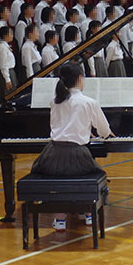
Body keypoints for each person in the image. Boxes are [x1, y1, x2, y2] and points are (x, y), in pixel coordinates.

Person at [31, 62, 113, 230]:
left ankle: (60, 218)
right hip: (77, 155)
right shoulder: (89, 102)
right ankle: (89, 213)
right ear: (80, 79)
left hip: (52, 155)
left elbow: (60, 126)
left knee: (60, 178)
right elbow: (104, 130)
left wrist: (82, 128)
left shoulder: (55, 102)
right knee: (92, 173)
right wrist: (100, 132)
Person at [0, 26, 17, 101]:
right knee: (7, 95)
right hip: (6, 74)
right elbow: (3, 64)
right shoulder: (2, 47)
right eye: (11, 34)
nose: (12, 36)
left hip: (10, 72)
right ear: (5, 36)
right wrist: (7, 79)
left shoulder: (5, 46)